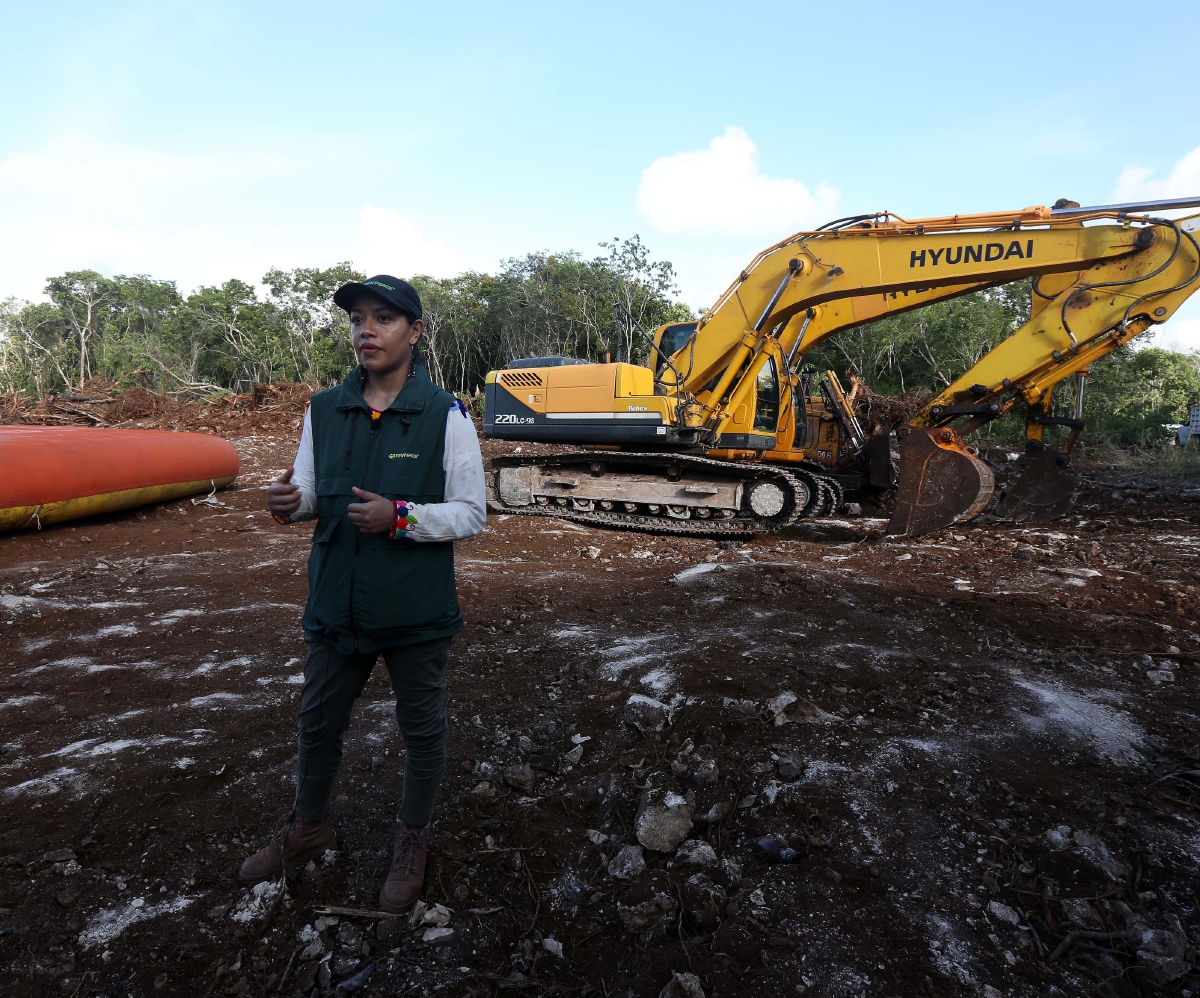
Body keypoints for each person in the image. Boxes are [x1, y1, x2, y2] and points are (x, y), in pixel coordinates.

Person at [238, 275, 487, 912]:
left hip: (415, 611)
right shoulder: (324, 408)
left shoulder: (448, 414)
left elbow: (471, 512)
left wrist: (401, 517)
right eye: (358, 319)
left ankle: (412, 839)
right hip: (336, 603)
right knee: (317, 724)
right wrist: (293, 505)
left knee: (422, 732)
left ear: (415, 332)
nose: (366, 330)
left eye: (383, 319)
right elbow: (318, 493)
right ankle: (309, 825)